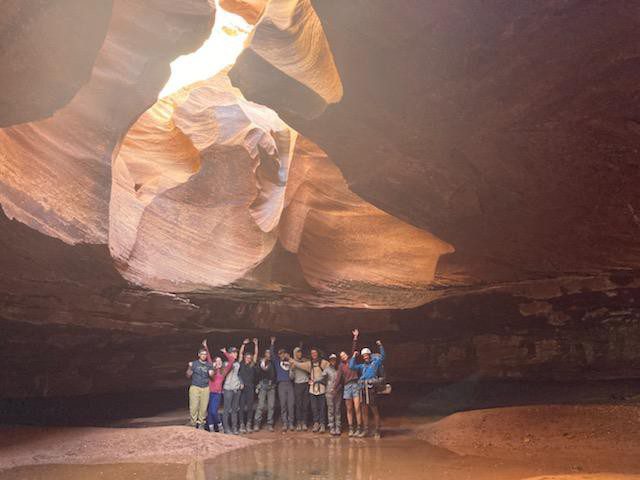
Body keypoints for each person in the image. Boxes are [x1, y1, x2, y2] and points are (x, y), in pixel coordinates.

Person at [349, 339, 386, 438]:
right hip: (363, 388)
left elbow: (383, 357)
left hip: (371, 388)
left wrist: (380, 345)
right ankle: (365, 430)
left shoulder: (375, 363)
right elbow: (351, 366)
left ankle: (377, 430)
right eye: (364, 356)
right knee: (364, 409)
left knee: (374, 409)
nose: (365, 357)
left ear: (369, 355)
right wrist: (353, 356)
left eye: (366, 355)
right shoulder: (362, 366)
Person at [291, 347, 329, 433]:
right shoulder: (309, 364)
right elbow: (299, 365)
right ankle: (316, 423)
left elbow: (330, 368)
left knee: (322, 407)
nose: (314, 355)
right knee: (314, 407)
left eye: (315, 353)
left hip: (321, 388)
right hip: (312, 389)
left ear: (318, 353)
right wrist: (291, 360)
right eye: (312, 353)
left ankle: (322, 424)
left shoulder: (323, 362)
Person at [335, 329, 363, 437]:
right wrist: (334, 389)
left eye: (344, 355)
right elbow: (338, 378)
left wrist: (355, 338)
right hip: (347, 387)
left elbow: (354, 348)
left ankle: (359, 428)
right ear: (340, 358)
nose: (343, 356)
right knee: (349, 409)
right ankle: (351, 428)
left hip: (355, 384)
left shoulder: (352, 359)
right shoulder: (341, 366)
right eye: (341, 356)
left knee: (357, 407)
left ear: (347, 354)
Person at [203, 339, 232, 433]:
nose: (219, 362)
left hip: (217, 394)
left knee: (213, 411)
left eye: (220, 361)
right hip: (209, 393)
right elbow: (208, 357)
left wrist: (225, 352)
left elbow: (231, 361)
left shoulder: (223, 371)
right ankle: (211, 429)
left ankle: (220, 426)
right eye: (217, 361)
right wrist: (205, 347)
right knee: (209, 412)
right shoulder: (212, 369)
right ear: (215, 362)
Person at [186, 346, 214, 429]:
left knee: (203, 407)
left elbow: (212, 377)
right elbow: (188, 375)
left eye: (205, 354)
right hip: (195, 387)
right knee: (194, 407)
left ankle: (201, 424)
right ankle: (193, 423)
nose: (204, 356)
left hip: (205, 387)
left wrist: (212, 373)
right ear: (199, 355)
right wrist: (190, 367)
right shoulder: (194, 363)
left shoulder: (209, 365)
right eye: (202, 354)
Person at [253, 337, 277, 432]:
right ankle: (257, 424)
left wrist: (272, 343)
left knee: (271, 406)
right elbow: (258, 371)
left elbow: (273, 352)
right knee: (261, 405)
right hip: (263, 385)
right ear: (264, 354)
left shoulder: (273, 362)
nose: (269, 354)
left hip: (272, 386)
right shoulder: (261, 363)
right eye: (267, 353)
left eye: (269, 353)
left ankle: (270, 424)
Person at [272, 336, 295, 432]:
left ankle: (291, 423)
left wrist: (289, 357)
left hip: (289, 384)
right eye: (280, 354)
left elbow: (295, 362)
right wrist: (272, 343)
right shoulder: (277, 362)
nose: (282, 355)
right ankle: (285, 423)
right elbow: (272, 354)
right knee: (283, 405)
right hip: (281, 384)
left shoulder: (289, 361)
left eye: (283, 353)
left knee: (291, 404)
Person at [238, 338, 258, 433]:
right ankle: (242, 424)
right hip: (242, 388)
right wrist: (243, 344)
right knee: (241, 406)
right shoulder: (241, 364)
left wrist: (256, 344)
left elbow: (256, 355)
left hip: (250, 387)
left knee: (250, 406)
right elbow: (240, 354)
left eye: (250, 358)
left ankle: (249, 424)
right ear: (245, 357)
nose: (249, 359)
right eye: (247, 357)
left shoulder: (252, 365)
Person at [222, 343, 243, 434]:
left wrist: (241, 382)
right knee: (227, 409)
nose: (236, 354)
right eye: (234, 353)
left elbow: (238, 374)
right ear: (230, 354)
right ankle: (226, 428)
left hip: (236, 389)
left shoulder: (238, 364)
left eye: (236, 353)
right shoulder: (225, 363)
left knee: (235, 409)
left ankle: (234, 427)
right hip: (228, 389)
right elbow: (222, 375)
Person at [291, 345, 311, 431]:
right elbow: (291, 377)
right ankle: (299, 422)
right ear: (295, 354)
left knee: (305, 404)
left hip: (306, 384)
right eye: (298, 352)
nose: (300, 354)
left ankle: (304, 422)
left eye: (300, 352)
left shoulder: (305, 361)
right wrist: (292, 370)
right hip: (297, 385)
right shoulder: (292, 363)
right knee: (298, 404)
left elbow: (310, 370)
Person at [324, 353, 342, 436]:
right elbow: (322, 378)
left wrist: (337, 388)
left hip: (338, 392)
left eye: (334, 359)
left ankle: (338, 426)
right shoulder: (326, 369)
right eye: (331, 360)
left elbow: (342, 381)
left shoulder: (339, 369)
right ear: (329, 361)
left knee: (337, 409)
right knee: (331, 410)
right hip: (329, 392)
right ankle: (332, 427)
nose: (333, 361)